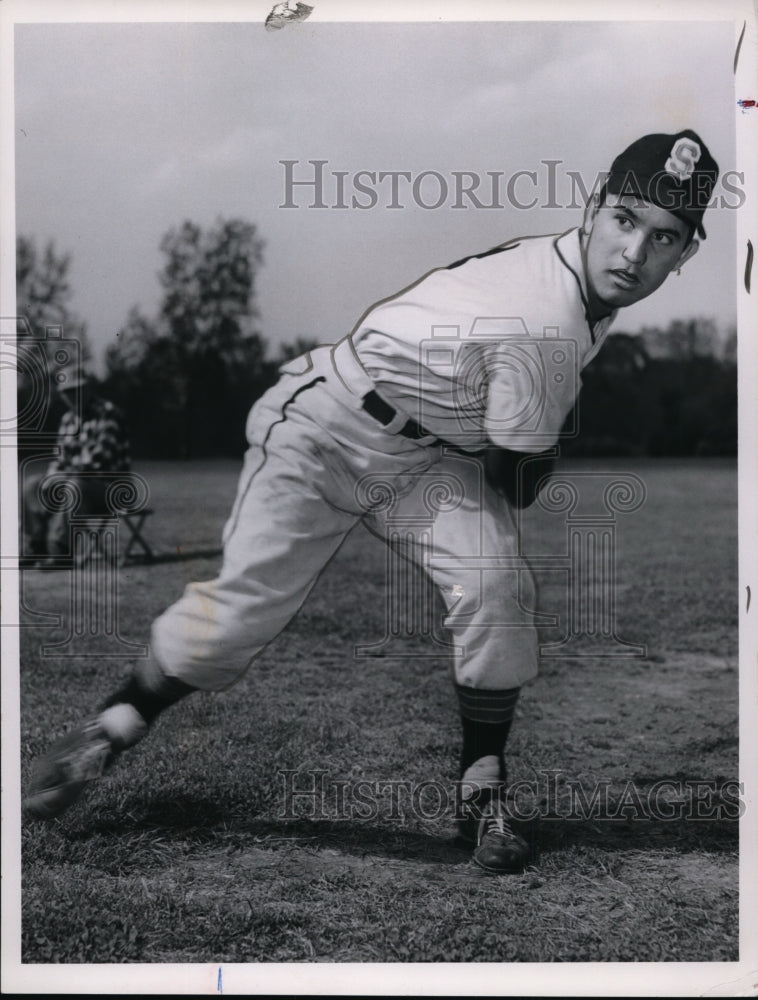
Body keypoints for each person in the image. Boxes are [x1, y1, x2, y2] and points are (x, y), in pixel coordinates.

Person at [24, 130, 719, 874]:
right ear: (591, 210)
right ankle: (112, 727)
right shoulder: (545, 316)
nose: (634, 254)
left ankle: (482, 788)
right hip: (326, 424)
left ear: (686, 253)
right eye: (624, 220)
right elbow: (516, 478)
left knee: (494, 582)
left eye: (663, 237)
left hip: (425, 454)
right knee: (245, 608)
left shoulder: (574, 284)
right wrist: (543, 436)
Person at [21, 368, 131, 563]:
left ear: (87, 389)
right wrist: (51, 478)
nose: (71, 397)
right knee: (32, 485)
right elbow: (59, 459)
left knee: (74, 486)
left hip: (110, 488)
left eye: (76, 390)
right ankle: (36, 546)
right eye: (66, 392)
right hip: (75, 482)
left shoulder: (108, 414)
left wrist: (62, 476)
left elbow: (99, 460)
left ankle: (61, 550)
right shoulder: (67, 420)